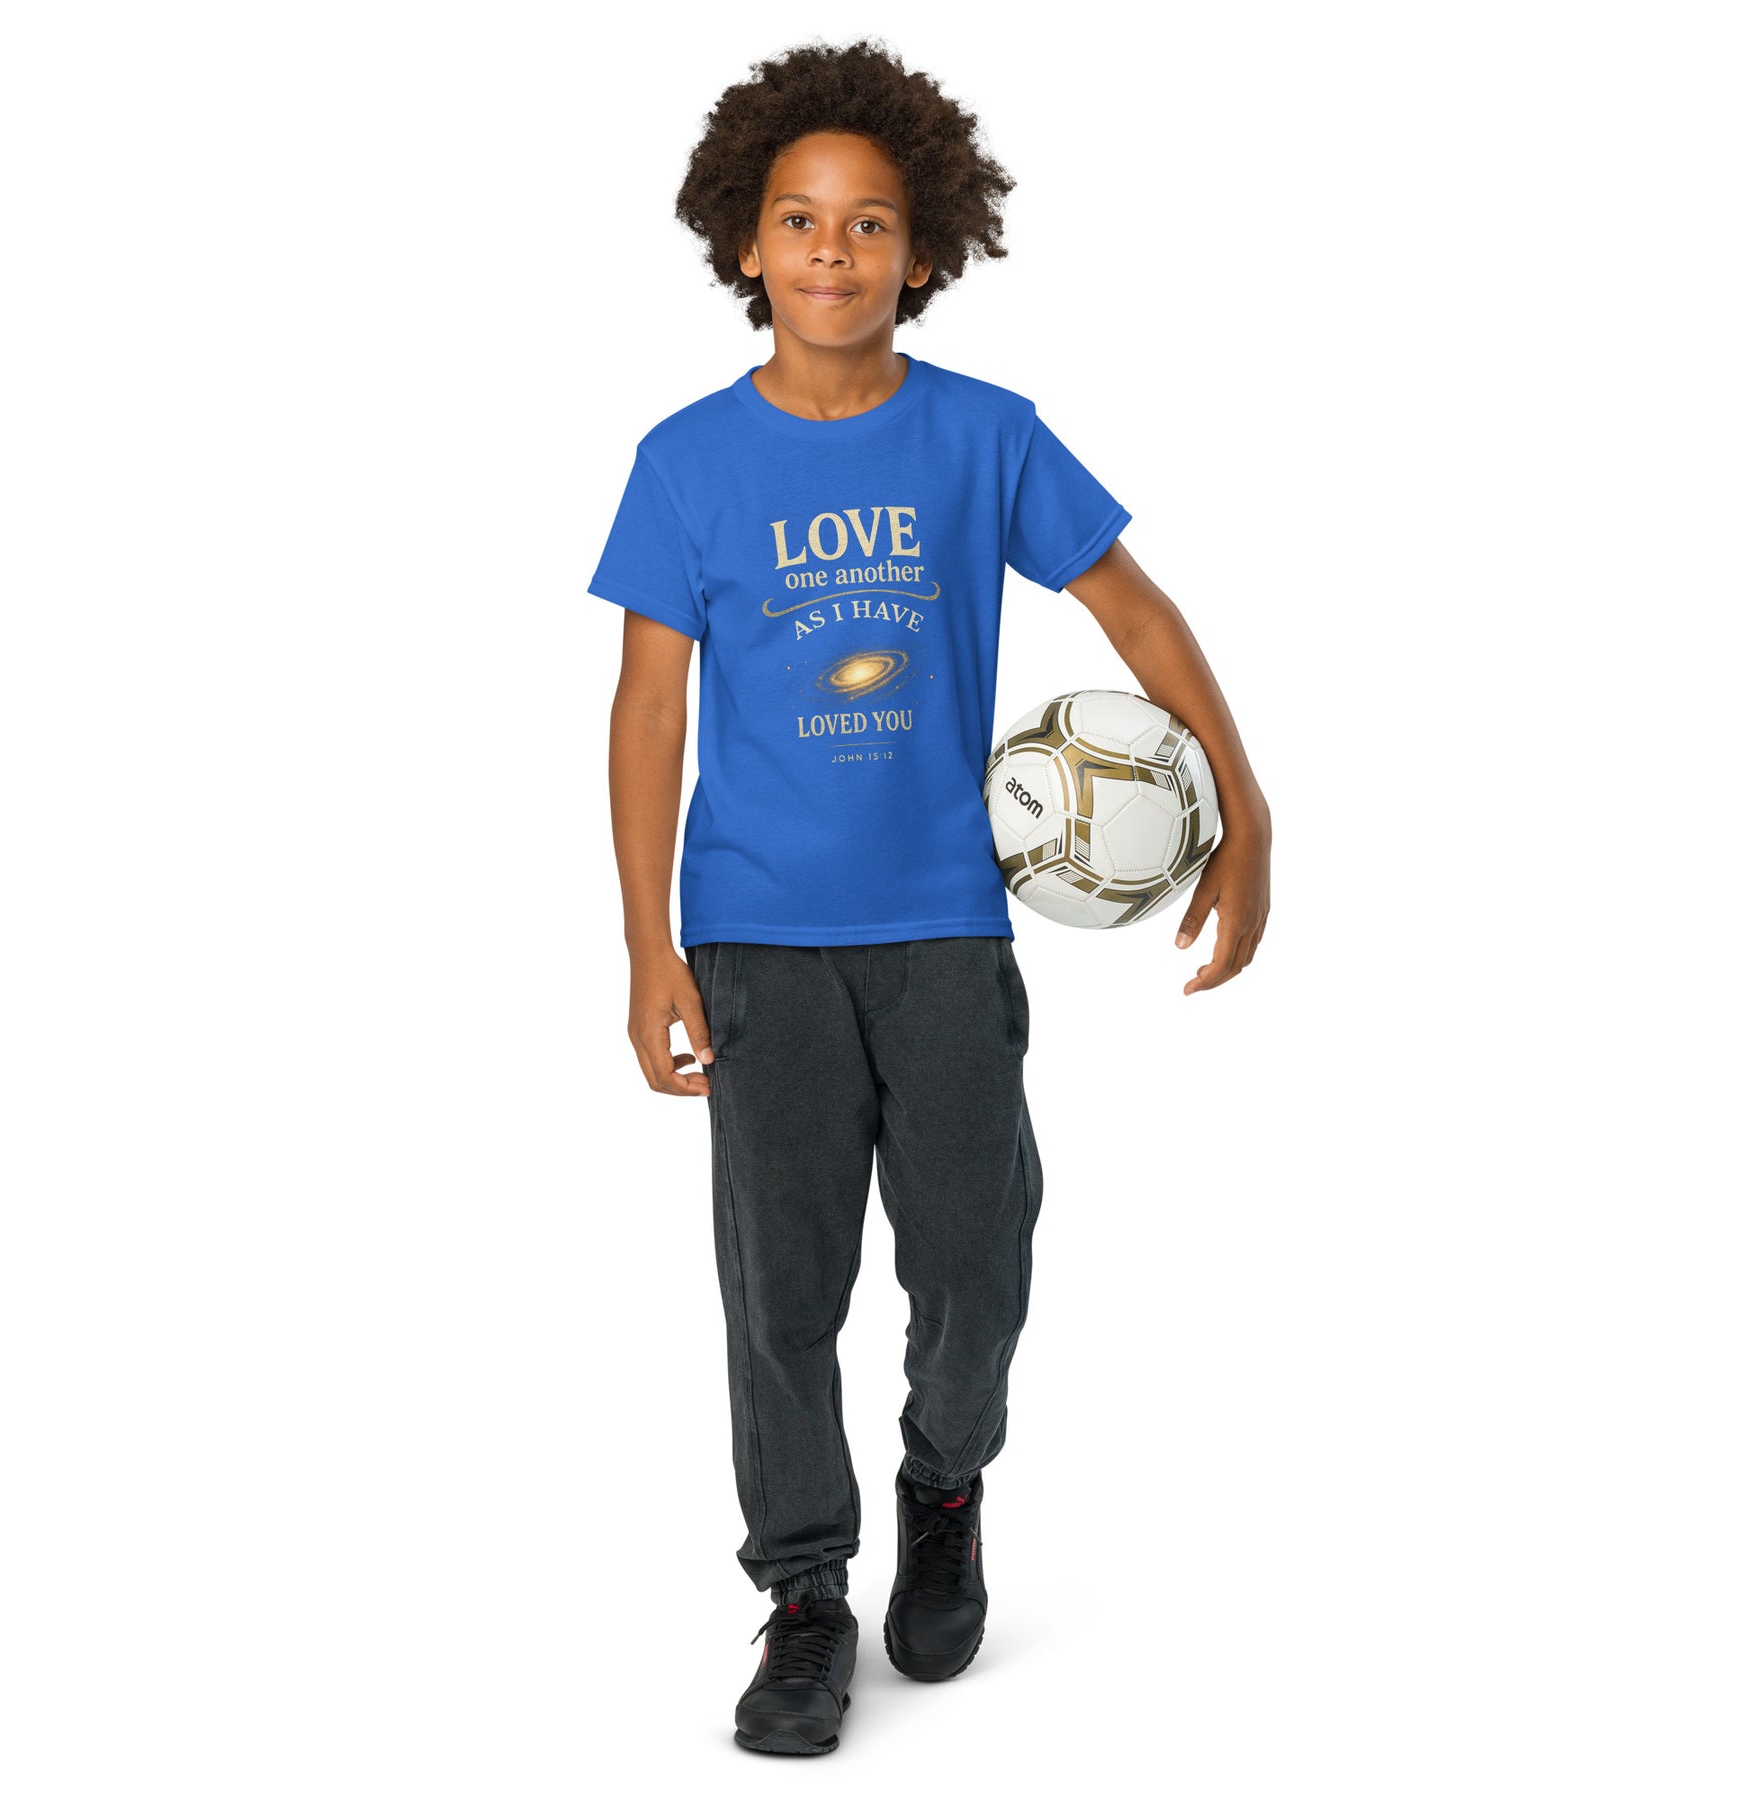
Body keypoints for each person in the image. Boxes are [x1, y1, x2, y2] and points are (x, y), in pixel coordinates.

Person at [589, 37, 1272, 1757]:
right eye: (798, 219)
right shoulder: (684, 462)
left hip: (948, 930)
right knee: (782, 1290)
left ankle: (945, 1482)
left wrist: (1243, 802)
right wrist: (648, 943)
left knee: (977, 1261)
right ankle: (806, 1591)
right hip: (759, 938)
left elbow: (1134, 610)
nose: (832, 250)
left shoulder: (984, 436)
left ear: (923, 249)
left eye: (870, 222)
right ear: (742, 242)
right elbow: (650, 711)